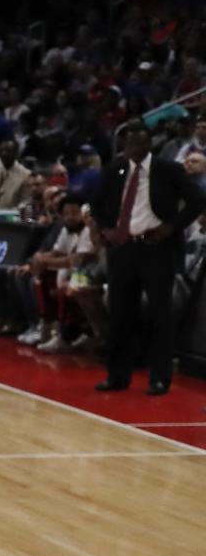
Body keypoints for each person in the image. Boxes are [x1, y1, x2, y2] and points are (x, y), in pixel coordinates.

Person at [91, 120, 206, 395]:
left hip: (156, 248)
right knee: (120, 314)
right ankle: (117, 376)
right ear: (124, 145)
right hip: (123, 248)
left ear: (150, 143)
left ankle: (159, 378)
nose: (135, 148)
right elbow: (96, 203)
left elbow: (199, 199)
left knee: (159, 315)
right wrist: (108, 229)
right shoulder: (114, 169)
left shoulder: (169, 170)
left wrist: (172, 226)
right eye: (130, 143)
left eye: (141, 142)